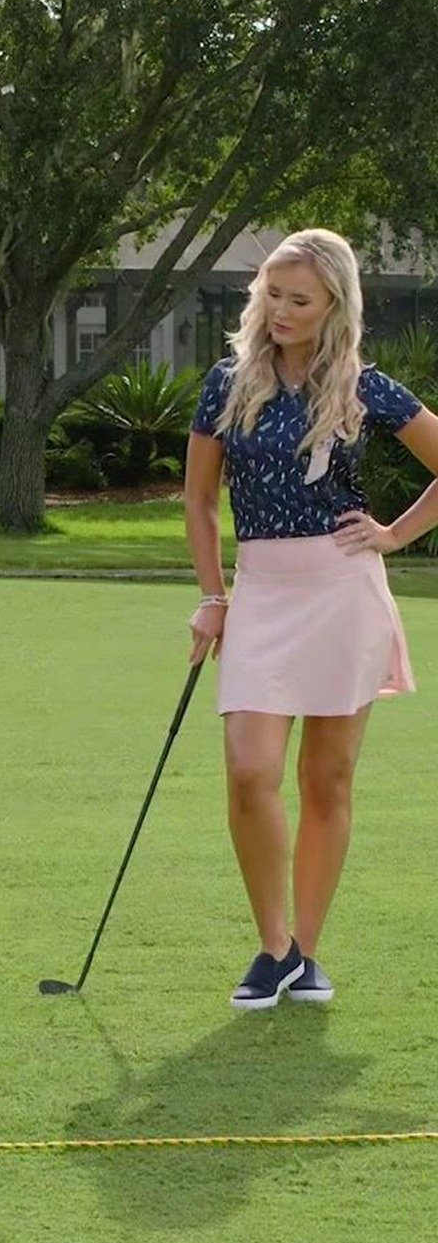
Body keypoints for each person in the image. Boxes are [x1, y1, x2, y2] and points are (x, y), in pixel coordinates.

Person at [185, 228, 438, 1010]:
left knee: (326, 779)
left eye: (300, 299)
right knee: (249, 771)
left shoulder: (363, 386)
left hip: (342, 590)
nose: (282, 310)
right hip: (262, 591)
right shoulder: (228, 382)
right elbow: (199, 500)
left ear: (334, 307)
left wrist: (394, 534)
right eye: (272, 294)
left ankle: (304, 951)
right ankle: (273, 946)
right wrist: (213, 597)